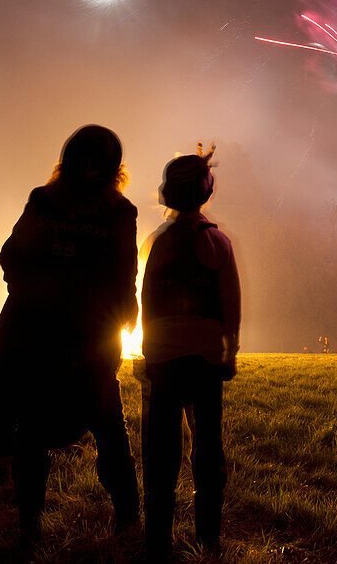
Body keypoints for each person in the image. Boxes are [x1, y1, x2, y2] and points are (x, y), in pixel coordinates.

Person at [0, 126, 139, 546]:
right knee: (109, 428)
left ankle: (29, 523)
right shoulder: (119, 212)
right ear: (115, 167)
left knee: (32, 432)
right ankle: (127, 519)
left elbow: (10, 256)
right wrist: (125, 317)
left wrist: (32, 296)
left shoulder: (43, 201)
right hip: (93, 340)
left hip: (39, 337)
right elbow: (125, 276)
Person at [141, 145, 241, 561]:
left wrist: (147, 351)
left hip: (163, 358)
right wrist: (230, 351)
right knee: (208, 447)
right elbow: (230, 304)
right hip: (204, 360)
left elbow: (146, 301)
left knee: (160, 452)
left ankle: (158, 537)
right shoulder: (217, 242)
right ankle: (208, 537)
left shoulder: (155, 242)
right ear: (207, 193)